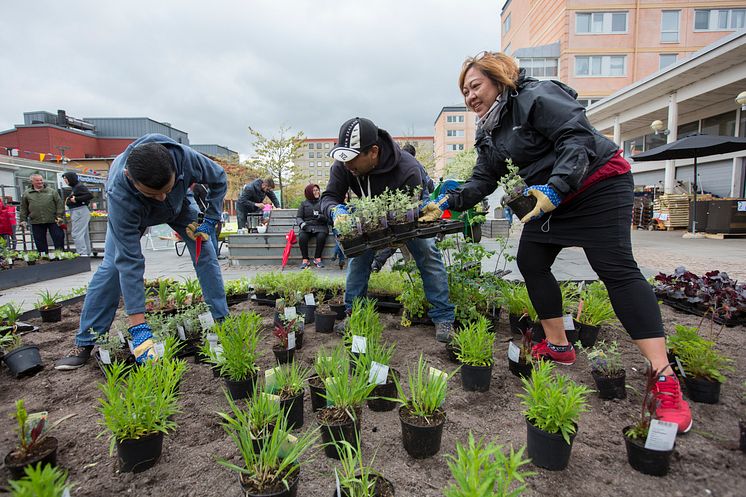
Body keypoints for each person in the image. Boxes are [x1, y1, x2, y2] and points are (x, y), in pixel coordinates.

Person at [419, 51, 691, 432]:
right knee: (531, 261)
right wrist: (450, 202)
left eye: (475, 86)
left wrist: (558, 186)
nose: (469, 97)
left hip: (597, 184)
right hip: (552, 197)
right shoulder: (489, 131)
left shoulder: (535, 95)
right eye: (464, 91)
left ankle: (664, 378)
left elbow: (575, 136)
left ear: (499, 79)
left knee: (615, 269)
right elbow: (484, 179)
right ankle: (559, 344)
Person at [54, 134, 229, 370]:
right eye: (153, 193)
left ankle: (220, 319)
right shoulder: (120, 194)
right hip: (137, 211)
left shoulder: (184, 158)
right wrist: (138, 325)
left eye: (166, 188)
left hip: (181, 206)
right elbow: (130, 261)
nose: (161, 197)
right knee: (113, 267)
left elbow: (218, 178)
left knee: (204, 251)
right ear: (130, 177)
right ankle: (85, 341)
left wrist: (211, 218)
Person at [321, 117, 455, 342]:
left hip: (408, 211)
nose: (346, 165)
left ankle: (443, 316)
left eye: (352, 159)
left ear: (373, 152)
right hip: (369, 212)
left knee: (427, 252)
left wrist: (394, 238)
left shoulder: (407, 168)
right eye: (344, 159)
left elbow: (405, 217)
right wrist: (336, 211)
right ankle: (355, 313)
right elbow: (329, 197)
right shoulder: (345, 165)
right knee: (358, 256)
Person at [19, 174, 65, 254]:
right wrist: (23, 220)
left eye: (41, 180)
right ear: (32, 182)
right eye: (37, 180)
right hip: (36, 221)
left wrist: (59, 216)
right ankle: (44, 257)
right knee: (39, 240)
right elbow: (23, 208)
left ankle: (60, 255)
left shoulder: (52, 191)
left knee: (58, 237)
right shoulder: (27, 193)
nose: (40, 182)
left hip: (54, 220)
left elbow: (59, 204)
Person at [296, 183, 328, 269]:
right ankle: (305, 260)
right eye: (314, 190)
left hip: (320, 225)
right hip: (307, 226)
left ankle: (317, 258)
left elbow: (327, 216)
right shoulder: (303, 204)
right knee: (302, 237)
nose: (316, 192)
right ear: (309, 192)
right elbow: (299, 217)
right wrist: (301, 223)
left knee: (321, 236)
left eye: (317, 190)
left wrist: (320, 217)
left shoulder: (323, 202)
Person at [62, 172, 93, 257]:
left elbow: (89, 195)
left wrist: (77, 199)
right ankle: (86, 252)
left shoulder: (79, 187)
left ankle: (82, 253)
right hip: (79, 210)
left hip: (79, 211)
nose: (65, 180)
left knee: (77, 233)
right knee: (83, 233)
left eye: (66, 178)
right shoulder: (76, 187)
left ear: (71, 178)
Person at [190, 183, 221, 254]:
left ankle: (208, 253)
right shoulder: (211, 186)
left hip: (202, 213)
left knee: (204, 234)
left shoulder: (197, 186)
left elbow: (194, 200)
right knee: (213, 233)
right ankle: (216, 253)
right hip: (213, 212)